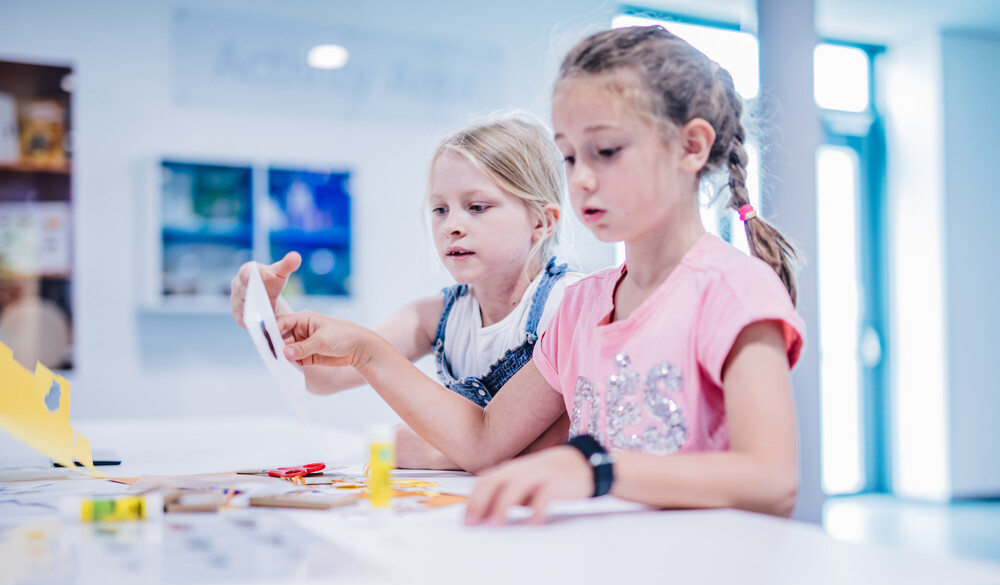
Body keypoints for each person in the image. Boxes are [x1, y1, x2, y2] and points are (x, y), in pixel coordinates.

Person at [277, 26, 805, 524]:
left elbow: (772, 479)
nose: (582, 179)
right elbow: (484, 440)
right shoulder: (582, 307)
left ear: (691, 146)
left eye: (606, 151)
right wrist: (366, 351)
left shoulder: (735, 290)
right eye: (570, 157)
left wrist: (595, 468)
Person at [230, 111, 582, 469]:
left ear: (542, 222)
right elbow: (326, 375)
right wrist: (269, 311)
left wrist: (436, 452)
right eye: (440, 209)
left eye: (476, 207)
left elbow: (548, 449)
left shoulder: (569, 306)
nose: (451, 226)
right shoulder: (435, 316)